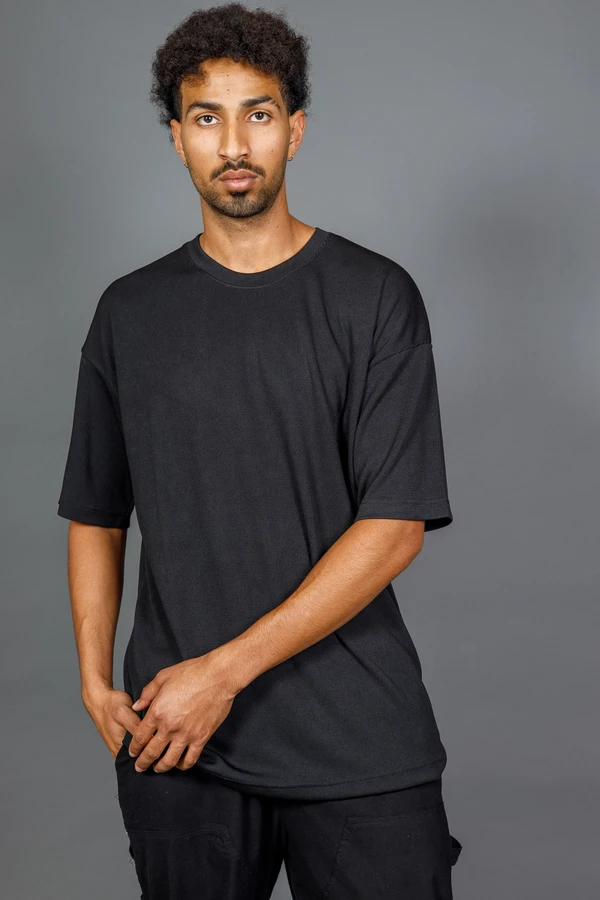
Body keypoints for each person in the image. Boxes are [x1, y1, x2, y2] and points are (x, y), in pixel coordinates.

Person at [57, 3, 462, 897]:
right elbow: (96, 510)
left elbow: (395, 526)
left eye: (260, 114)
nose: (234, 143)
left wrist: (223, 673)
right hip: (178, 743)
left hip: (358, 737)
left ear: (296, 129)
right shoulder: (130, 314)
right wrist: (92, 679)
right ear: (177, 138)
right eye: (207, 117)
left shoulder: (374, 297)